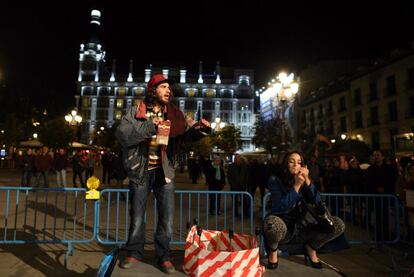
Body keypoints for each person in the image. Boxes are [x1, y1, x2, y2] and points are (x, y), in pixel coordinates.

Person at [115, 74, 211, 273]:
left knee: (166, 218)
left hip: (164, 170)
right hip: (140, 170)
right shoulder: (136, 111)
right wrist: (152, 126)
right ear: (153, 90)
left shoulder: (175, 114)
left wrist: (201, 130)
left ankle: (163, 256)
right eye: (164, 87)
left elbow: (186, 134)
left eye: (170, 88)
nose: (169, 91)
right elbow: (123, 134)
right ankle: (134, 252)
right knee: (137, 216)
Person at [263, 150, 345, 270]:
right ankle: (273, 251)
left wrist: (306, 180)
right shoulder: (275, 179)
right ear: (286, 164)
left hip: (305, 225)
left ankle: (311, 248)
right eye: (292, 161)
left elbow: (318, 202)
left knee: (338, 224)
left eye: (299, 162)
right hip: (286, 225)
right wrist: (296, 185)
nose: (296, 165)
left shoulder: (304, 179)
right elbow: (280, 207)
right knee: (272, 223)